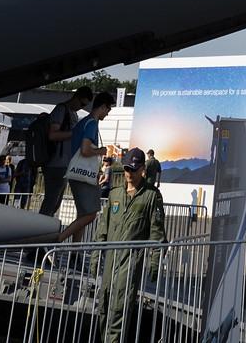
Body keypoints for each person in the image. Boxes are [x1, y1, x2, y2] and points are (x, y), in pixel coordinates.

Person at [97, 147, 166, 343]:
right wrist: (95, 256)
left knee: (121, 305)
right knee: (104, 304)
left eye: (134, 169)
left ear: (142, 169)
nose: (129, 174)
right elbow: (103, 226)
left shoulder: (152, 196)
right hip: (110, 259)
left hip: (130, 261)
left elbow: (157, 232)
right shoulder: (115, 194)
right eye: (127, 169)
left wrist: (154, 262)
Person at [59, 88, 119, 242]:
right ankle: (57, 240)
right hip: (84, 175)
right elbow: (86, 150)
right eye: (108, 110)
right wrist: (101, 151)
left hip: (76, 172)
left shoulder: (84, 122)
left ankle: (75, 252)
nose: (108, 113)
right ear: (103, 107)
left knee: (83, 214)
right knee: (91, 214)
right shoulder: (92, 124)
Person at [38, 86, 93, 220]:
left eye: (85, 105)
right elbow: (52, 135)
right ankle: (39, 228)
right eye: (82, 103)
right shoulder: (61, 109)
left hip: (64, 164)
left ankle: (44, 227)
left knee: (55, 202)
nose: (82, 107)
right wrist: (74, 133)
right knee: (51, 201)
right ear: (76, 97)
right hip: (55, 163)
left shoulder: (72, 113)